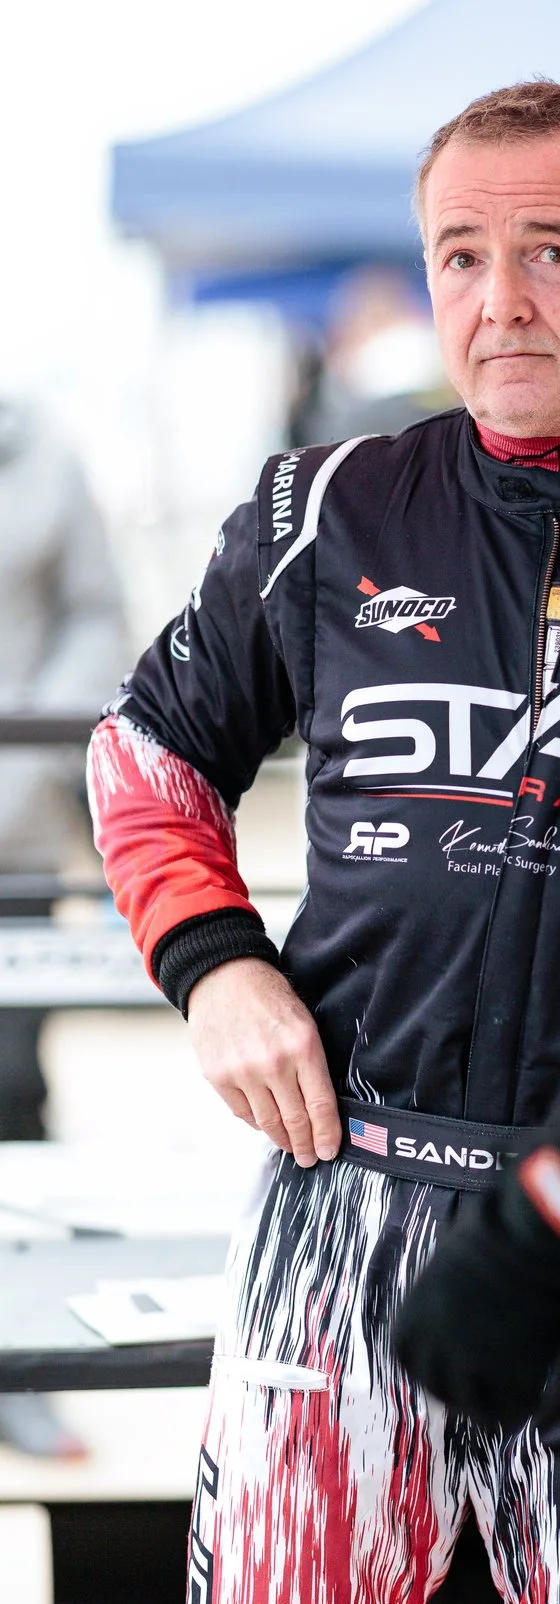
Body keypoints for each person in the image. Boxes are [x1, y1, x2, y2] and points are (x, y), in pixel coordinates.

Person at [88, 81, 560, 1604]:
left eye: (550, 252)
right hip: (349, 1197)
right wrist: (216, 964)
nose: (498, 302)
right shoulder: (332, 509)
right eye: (459, 255)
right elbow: (148, 755)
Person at [0, 397, 125, 1464]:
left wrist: (20, 764)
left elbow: (98, 616)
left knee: (8, 1100)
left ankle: (18, 1367)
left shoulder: (43, 446)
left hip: (12, 844)